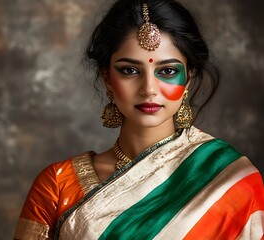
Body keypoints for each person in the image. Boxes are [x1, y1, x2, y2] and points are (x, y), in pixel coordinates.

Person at [14, 0, 264, 239]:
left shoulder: (230, 180)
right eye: (130, 70)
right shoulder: (58, 185)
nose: (149, 89)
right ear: (107, 78)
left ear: (188, 79)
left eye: (167, 71)